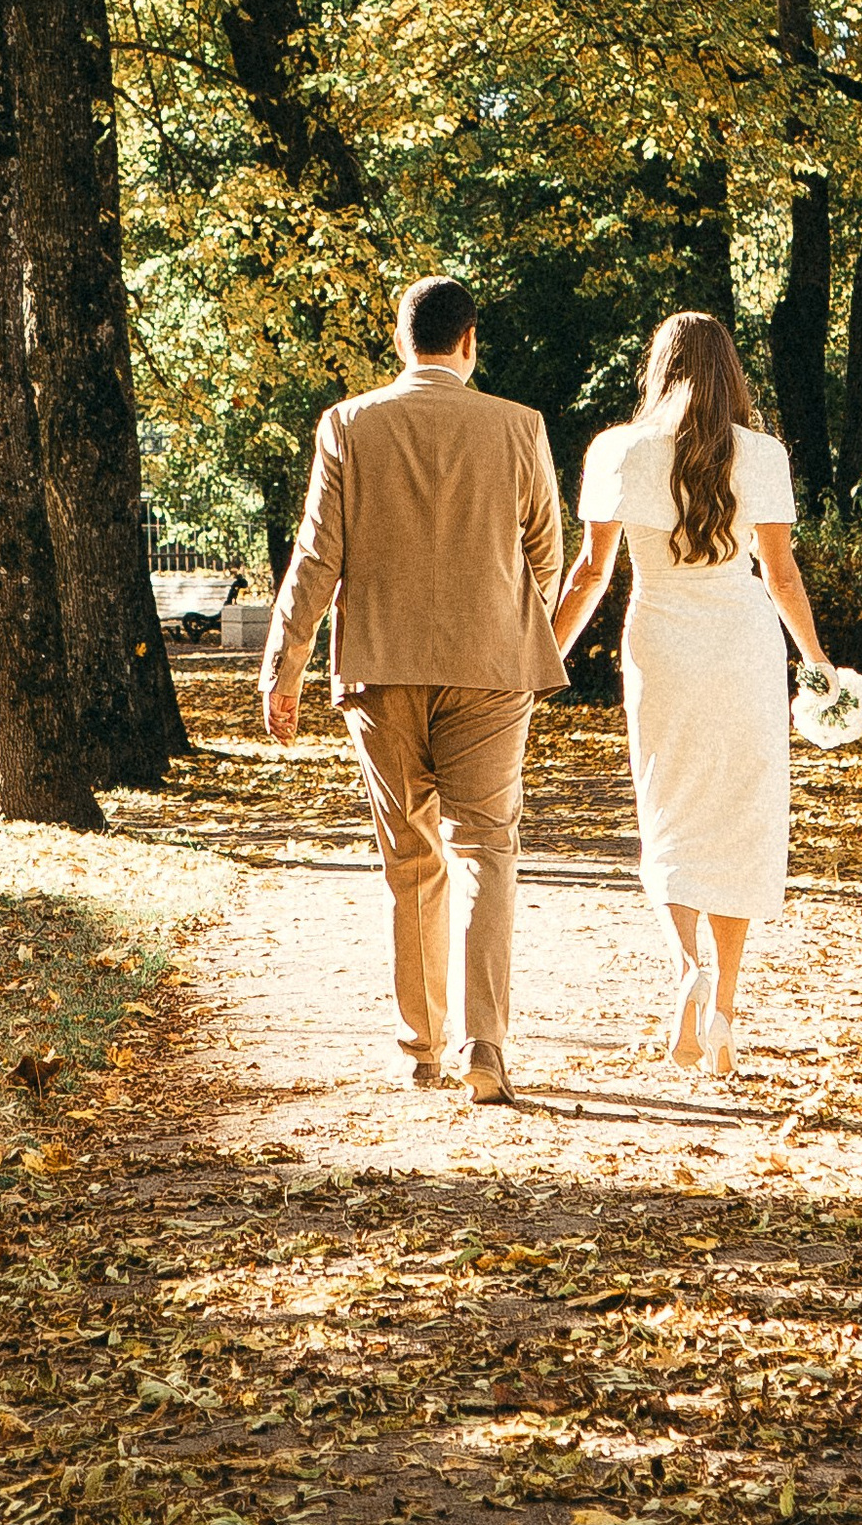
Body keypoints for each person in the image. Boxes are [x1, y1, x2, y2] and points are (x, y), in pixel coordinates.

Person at [260, 275, 566, 1106]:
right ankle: (486, 1047)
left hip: (381, 667)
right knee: (487, 850)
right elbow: (548, 553)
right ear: (470, 341)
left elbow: (317, 556)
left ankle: (421, 1046)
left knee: (411, 860)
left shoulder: (350, 426)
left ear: (403, 341)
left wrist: (283, 668)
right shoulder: (519, 427)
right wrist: (511, 614)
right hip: (493, 670)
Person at [549, 310, 828, 1087]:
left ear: (658, 368)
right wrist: (817, 663)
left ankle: (685, 972)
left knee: (667, 805)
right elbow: (781, 576)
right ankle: (727, 1012)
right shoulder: (764, 455)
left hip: (661, 641)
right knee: (739, 814)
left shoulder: (618, 450)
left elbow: (590, 575)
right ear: (730, 371)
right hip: (741, 643)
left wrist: (543, 658)